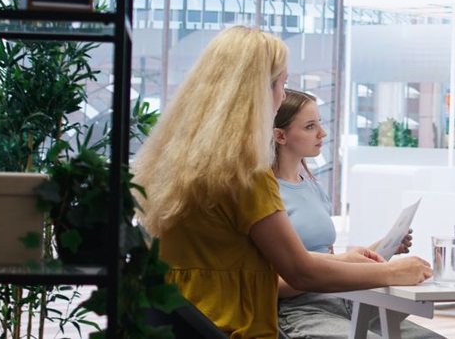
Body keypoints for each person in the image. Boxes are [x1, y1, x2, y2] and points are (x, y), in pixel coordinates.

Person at [133, 26, 432, 339]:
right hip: (239, 329)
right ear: (257, 93)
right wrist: (392, 271)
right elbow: (300, 272)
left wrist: (346, 259)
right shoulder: (244, 174)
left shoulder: (176, 164)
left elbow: (246, 257)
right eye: (282, 84)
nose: (282, 97)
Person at [272, 89, 444, 339]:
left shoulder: (312, 186)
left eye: (319, 123)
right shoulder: (267, 195)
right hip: (301, 309)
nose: (322, 133)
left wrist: (381, 248)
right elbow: (276, 282)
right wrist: (381, 272)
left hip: (345, 299)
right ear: (280, 135)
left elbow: (329, 259)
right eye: (310, 127)